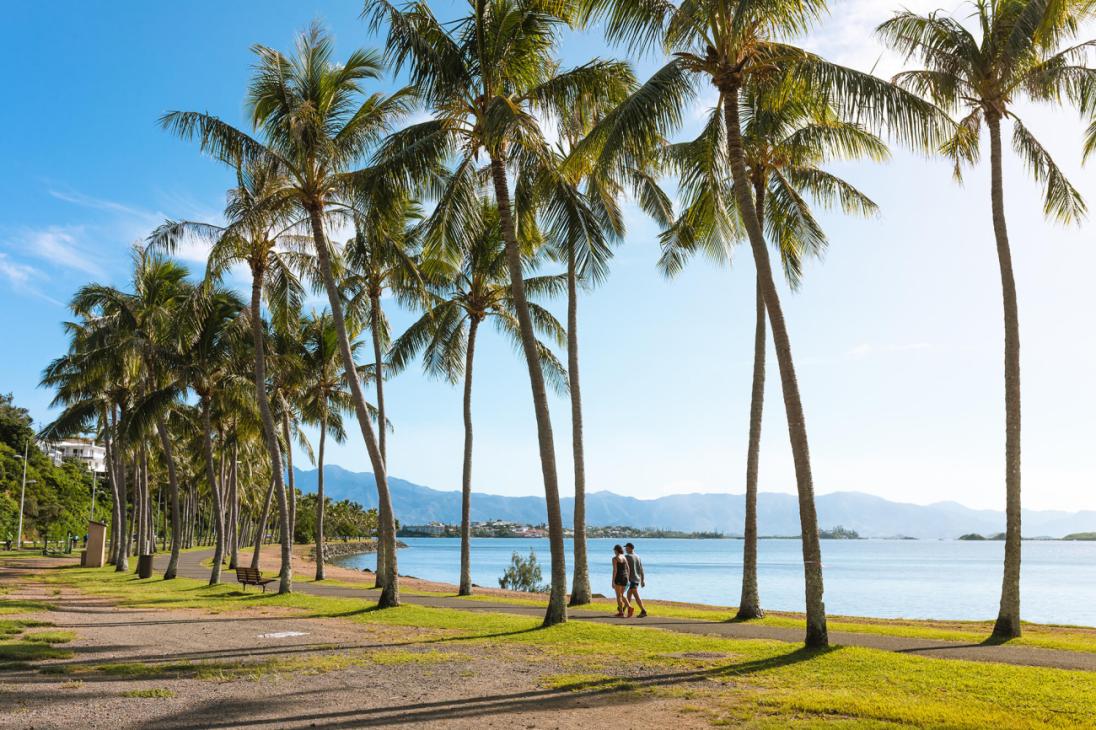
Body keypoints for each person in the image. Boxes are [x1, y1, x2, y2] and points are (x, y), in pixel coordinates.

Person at [624, 542, 647, 618]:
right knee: (629, 595)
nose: (625, 549)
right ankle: (624, 609)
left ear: (630, 548)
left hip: (632, 579)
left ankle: (643, 611)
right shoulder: (638, 556)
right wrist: (642, 580)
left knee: (636, 596)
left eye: (626, 548)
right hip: (637, 579)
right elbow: (641, 569)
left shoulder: (627, 557)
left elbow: (625, 568)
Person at [611, 544, 631, 617]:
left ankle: (621, 612)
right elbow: (628, 568)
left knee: (618, 596)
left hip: (618, 578)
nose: (614, 551)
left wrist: (613, 581)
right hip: (625, 577)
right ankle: (629, 607)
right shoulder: (624, 557)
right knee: (622, 595)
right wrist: (628, 578)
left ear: (616, 550)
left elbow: (615, 570)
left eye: (614, 550)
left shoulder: (615, 559)